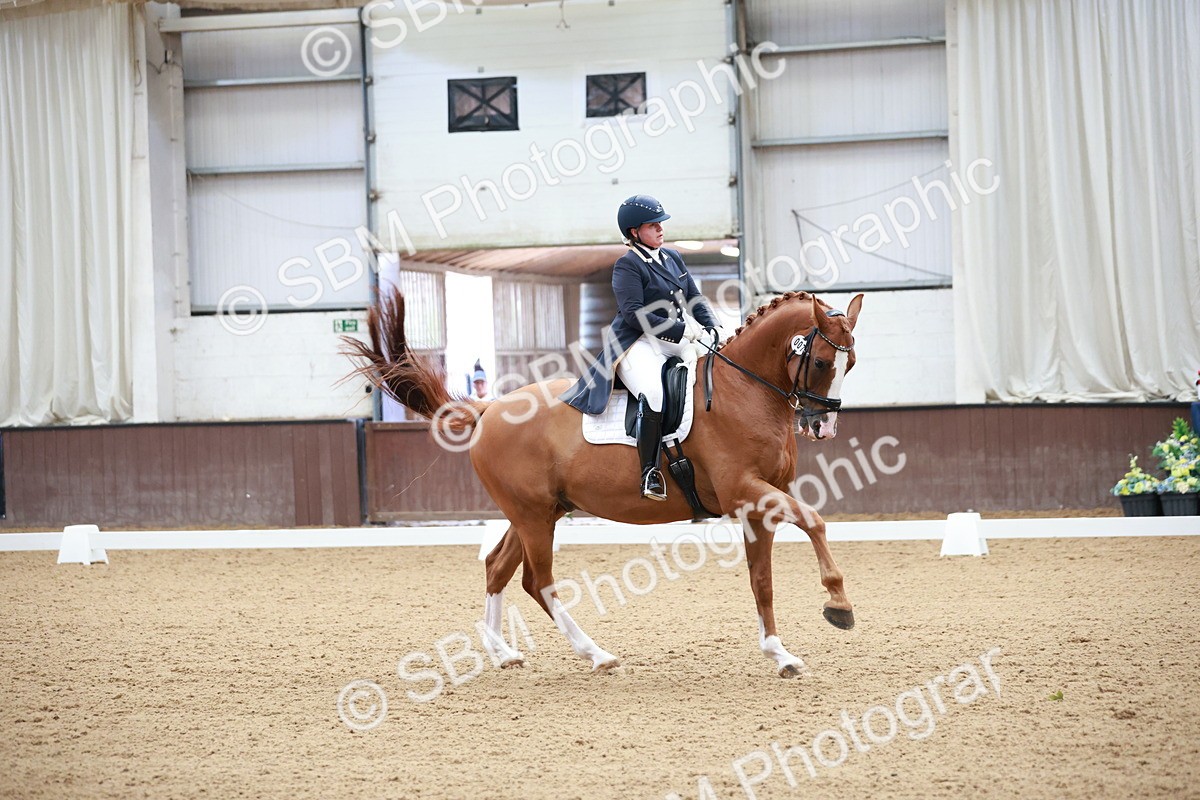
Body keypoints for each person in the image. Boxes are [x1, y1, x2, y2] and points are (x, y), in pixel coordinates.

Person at [561, 194, 722, 501]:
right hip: (637, 343)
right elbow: (633, 313)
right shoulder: (627, 265)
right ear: (634, 232)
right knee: (655, 394)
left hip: (675, 341)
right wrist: (679, 329)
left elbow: (694, 298)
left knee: (716, 373)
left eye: (661, 224)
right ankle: (650, 472)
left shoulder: (672, 257)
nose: (661, 229)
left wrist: (713, 326)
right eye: (653, 225)